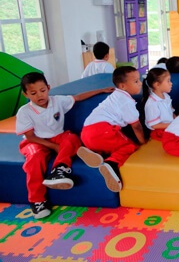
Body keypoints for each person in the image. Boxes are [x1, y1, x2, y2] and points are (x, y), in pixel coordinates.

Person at [15, 72, 113, 219]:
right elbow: (30, 136)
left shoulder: (57, 101)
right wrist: (53, 146)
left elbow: (78, 97)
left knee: (72, 138)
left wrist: (101, 90)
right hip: (35, 141)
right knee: (34, 159)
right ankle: (37, 201)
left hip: (58, 137)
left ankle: (59, 170)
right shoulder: (25, 112)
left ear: (48, 88)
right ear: (26, 94)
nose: (39, 96)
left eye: (42, 91)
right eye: (33, 93)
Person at [78, 66, 146, 193]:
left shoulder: (114, 96)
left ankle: (96, 153)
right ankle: (112, 164)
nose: (140, 83)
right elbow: (136, 126)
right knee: (130, 146)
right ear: (123, 86)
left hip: (86, 133)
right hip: (102, 131)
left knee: (110, 143)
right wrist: (143, 143)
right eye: (136, 81)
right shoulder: (126, 101)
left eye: (139, 80)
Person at [141, 66, 174, 141]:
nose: (171, 83)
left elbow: (171, 112)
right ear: (157, 85)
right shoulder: (152, 103)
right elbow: (154, 125)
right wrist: (173, 125)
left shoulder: (166, 96)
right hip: (159, 132)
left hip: (169, 126)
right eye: (168, 81)